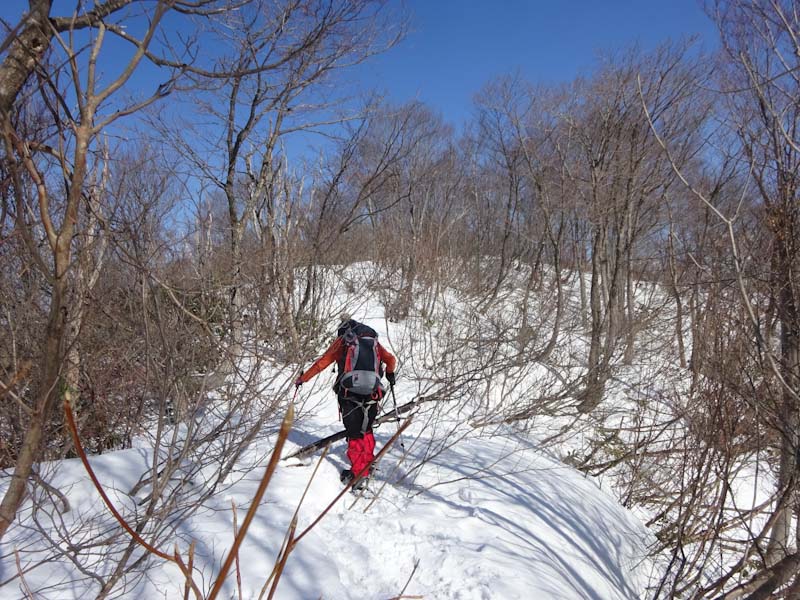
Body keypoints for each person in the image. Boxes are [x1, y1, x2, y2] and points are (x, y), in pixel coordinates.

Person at [295, 318, 397, 488]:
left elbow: (322, 363)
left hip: (349, 393)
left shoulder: (344, 342)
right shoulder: (373, 343)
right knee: (367, 430)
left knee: (354, 433)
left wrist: (302, 379)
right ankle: (367, 464)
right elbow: (391, 360)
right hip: (373, 392)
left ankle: (358, 475)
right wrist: (390, 374)